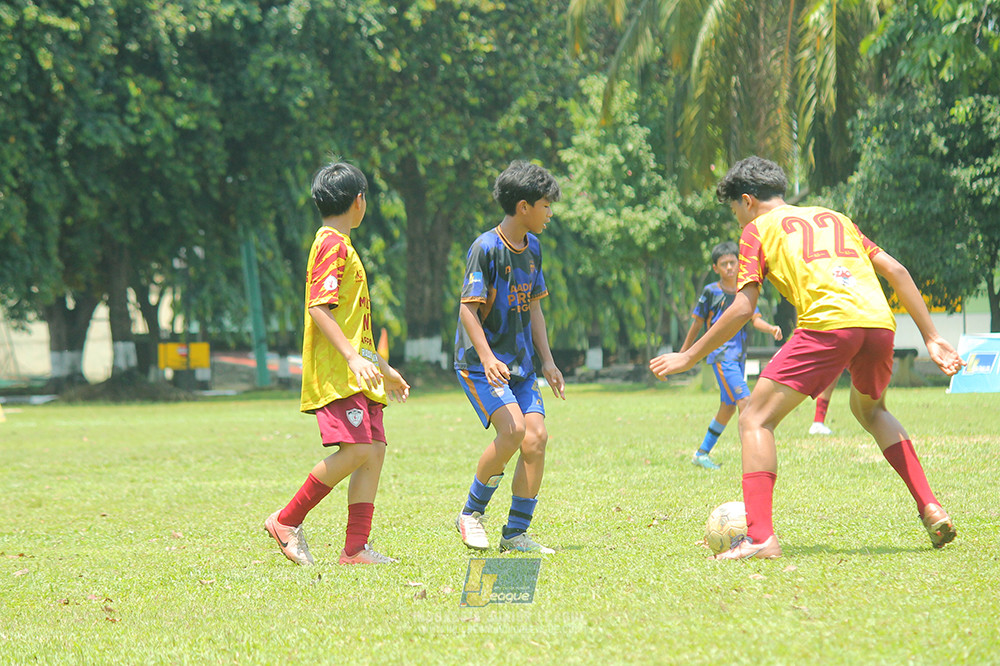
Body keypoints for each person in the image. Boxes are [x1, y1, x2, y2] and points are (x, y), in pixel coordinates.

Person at [650, 156, 963, 560]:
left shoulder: (756, 229)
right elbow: (897, 271)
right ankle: (931, 507)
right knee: (871, 411)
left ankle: (761, 538)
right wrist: (932, 337)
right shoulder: (836, 218)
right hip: (878, 324)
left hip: (828, 325)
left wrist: (689, 355)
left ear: (747, 200)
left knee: (755, 418)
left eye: (734, 210)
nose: (737, 219)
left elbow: (744, 307)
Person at [264, 162, 410, 566]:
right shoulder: (332, 245)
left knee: (374, 449)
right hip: (338, 374)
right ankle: (286, 521)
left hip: (358, 372)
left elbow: (353, 327)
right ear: (359, 201)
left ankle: (355, 549)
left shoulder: (342, 245)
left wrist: (384, 369)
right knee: (357, 448)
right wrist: (350, 358)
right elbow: (319, 308)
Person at [453, 160, 566, 554]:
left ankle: (515, 533)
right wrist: (487, 359)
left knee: (536, 438)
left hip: (520, 365)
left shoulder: (533, 248)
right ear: (524, 207)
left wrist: (547, 361)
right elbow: (468, 309)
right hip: (480, 364)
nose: (549, 213)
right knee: (514, 431)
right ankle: (470, 514)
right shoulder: (485, 248)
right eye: (546, 205)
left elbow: (534, 306)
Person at [681, 241, 783, 470]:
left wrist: (771, 328)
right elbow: (697, 323)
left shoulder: (743, 291)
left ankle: (701, 453)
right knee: (746, 401)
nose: (729, 267)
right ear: (715, 268)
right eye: (723, 264)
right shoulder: (711, 292)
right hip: (721, 355)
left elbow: (755, 319)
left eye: (732, 262)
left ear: (739, 264)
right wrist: (684, 353)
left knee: (728, 407)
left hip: (739, 356)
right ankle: (753, 458)